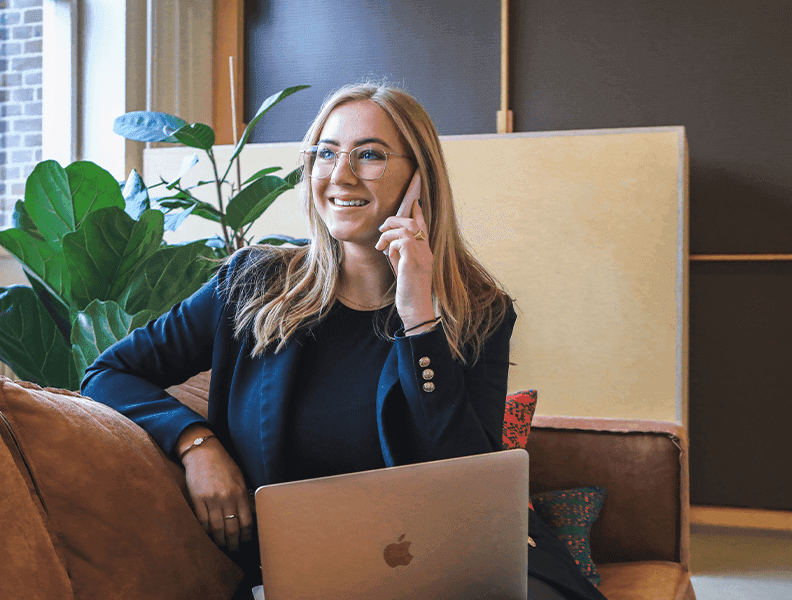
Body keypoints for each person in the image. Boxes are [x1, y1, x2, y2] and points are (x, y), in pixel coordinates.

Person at [83, 83, 606, 600]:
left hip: (454, 571)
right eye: (325, 153)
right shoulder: (252, 283)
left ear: (420, 178)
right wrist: (196, 443)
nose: (340, 174)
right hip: (311, 574)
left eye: (370, 155)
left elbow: (469, 481)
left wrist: (419, 320)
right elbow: (107, 374)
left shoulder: (479, 311)